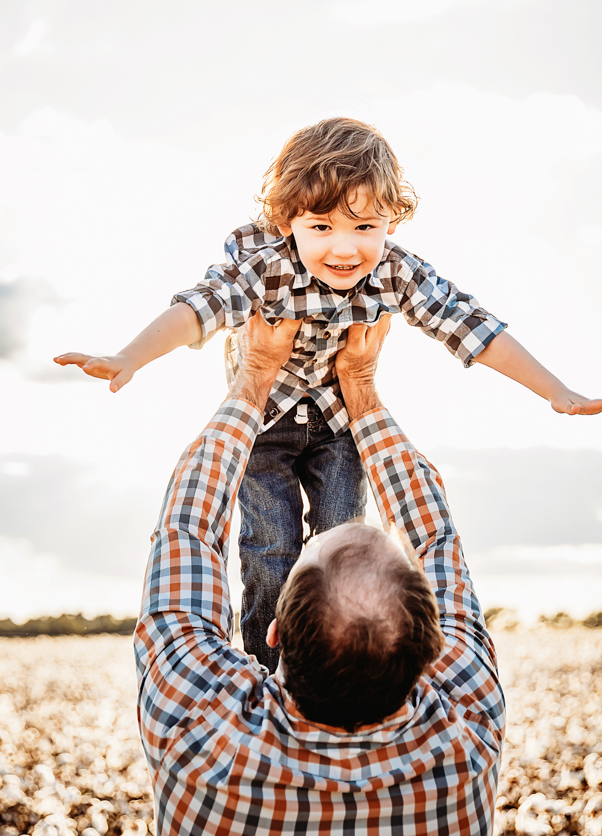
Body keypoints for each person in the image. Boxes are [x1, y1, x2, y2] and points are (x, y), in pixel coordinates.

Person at [56, 117, 602, 670]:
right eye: (322, 227)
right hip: (265, 424)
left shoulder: (397, 273)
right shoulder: (265, 266)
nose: (345, 248)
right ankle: (266, 663)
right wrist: (128, 355)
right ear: (288, 223)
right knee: (271, 548)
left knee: (341, 549)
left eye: (365, 227)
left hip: (339, 424)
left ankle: (338, 661)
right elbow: (199, 309)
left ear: (391, 221)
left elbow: (469, 325)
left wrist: (556, 391)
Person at [134, 311, 506, 835]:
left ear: (275, 634)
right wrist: (360, 386)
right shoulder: (467, 733)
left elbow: (186, 533)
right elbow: (437, 542)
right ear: (433, 648)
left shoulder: (199, 735)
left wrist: (254, 376)